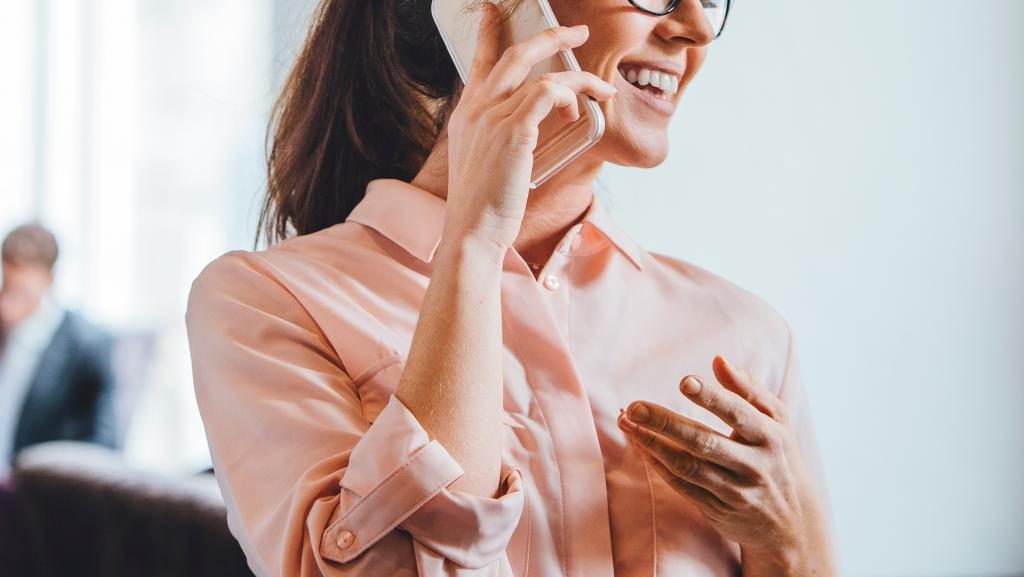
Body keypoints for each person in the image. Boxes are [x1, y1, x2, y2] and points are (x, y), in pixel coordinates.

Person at [186, 0, 838, 575]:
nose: (695, 25)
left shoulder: (747, 338)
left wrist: (794, 550)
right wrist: (474, 240)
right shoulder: (264, 303)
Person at [0, 223, 117, 478]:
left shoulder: (87, 345)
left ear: (48, 281)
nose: (6, 305)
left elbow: (104, 444)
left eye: (21, 291)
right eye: (5, 287)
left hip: (36, 493)